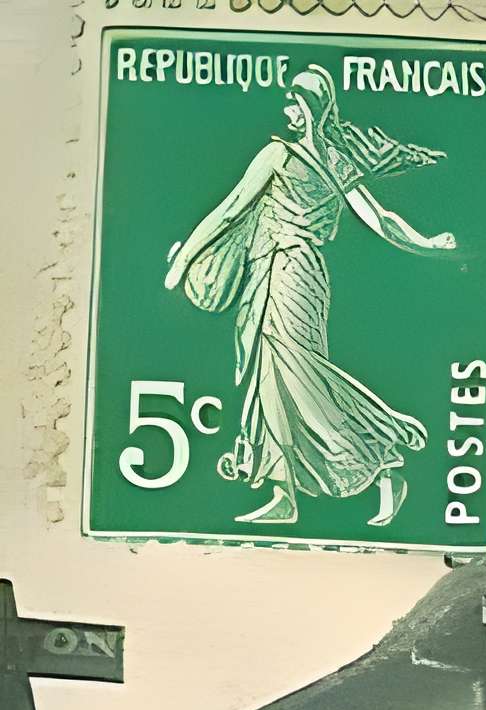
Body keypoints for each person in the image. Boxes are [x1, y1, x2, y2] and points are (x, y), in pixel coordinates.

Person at [161, 66, 459, 529]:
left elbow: (230, 212)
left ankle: (380, 452)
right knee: (273, 375)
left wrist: (181, 265)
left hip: (290, 270)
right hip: (286, 271)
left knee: (298, 372)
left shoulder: (283, 155)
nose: (286, 111)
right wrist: (425, 242)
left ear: (309, 108)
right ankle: (286, 492)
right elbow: (236, 209)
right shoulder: (327, 160)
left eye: (293, 103)